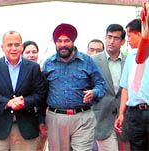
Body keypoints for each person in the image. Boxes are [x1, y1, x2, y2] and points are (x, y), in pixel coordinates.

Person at [43, 23, 106, 151]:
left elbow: (101, 85)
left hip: (83, 118)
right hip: (56, 119)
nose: (63, 45)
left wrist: (94, 92)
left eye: (67, 40)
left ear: (73, 41)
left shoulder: (87, 61)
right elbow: (42, 91)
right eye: (59, 41)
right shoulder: (48, 63)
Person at [0, 31, 47, 151]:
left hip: (25, 128)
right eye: (9, 45)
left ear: (21, 47)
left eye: (17, 45)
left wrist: (24, 101)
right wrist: (7, 102)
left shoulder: (33, 68)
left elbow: (41, 94)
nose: (13, 48)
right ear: (3, 47)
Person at [92, 24, 130, 151]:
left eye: (116, 38)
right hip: (102, 119)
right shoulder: (93, 61)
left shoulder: (130, 61)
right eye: (109, 37)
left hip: (126, 119)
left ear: (123, 41)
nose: (111, 41)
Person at [114, 17, 149, 151]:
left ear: (140, 34)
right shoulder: (130, 58)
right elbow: (125, 88)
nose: (127, 40)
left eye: (129, 35)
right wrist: (122, 113)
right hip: (135, 113)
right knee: (136, 147)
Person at [22, 40, 47, 151]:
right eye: (28, 52)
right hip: (21, 121)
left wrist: (42, 122)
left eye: (34, 52)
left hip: (40, 121)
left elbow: (43, 100)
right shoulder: (15, 74)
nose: (31, 55)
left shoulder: (43, 74)